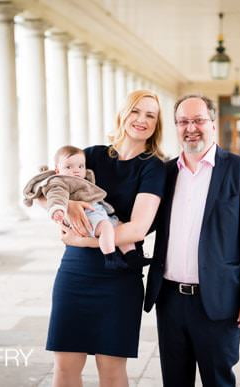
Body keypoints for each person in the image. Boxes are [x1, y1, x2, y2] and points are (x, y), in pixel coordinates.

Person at [39, 90, 166, 387]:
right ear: (123, 113)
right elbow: (46, 192)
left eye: (150, 115)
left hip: (119, 277)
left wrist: (81, 239)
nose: (141, 120)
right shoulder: (92, 155)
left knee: (110, 369)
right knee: (65, 365)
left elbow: (136, 229)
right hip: (76, 273)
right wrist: (68, 204)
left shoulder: (154, 167)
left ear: (156, 125)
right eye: (136, 111)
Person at [144, 94, 240, 387]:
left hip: (218, 301)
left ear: (213, 123)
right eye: (183, 121)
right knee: (174, 381)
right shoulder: (164, 172)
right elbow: (140, 218)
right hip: (170, 299)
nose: (191, 128)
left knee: (218, 381)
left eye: (198, 120)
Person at [22, 145, 142, 269]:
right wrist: (58, 209)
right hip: (86, 217)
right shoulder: (60, 182)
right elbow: (56, 196)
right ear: (57, 170)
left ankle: (132, 256)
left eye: (81, 166)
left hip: (99, 213)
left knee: (121, 226)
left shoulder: (85, 177)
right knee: (106, 228)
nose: (76, 170)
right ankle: (110, 258)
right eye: (69, 167)